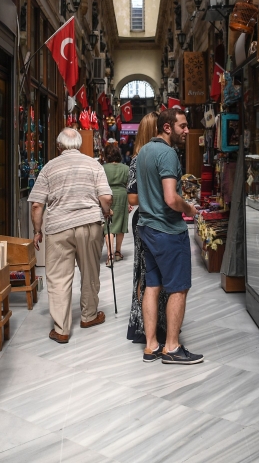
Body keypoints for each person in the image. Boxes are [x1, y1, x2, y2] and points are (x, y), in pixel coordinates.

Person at [28, 128, 113, 344]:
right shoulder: (94, 164)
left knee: (58, 278)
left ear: (59, 147)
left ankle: (61, 329)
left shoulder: (49, 167)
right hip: (89, 224)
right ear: (79, 145)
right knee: (90, 271)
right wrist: (105, 212)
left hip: (58, 227)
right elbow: (105, 197)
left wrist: (37, 231)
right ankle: (89, 316)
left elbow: (37, 204)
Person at [136, 108, 202, 364]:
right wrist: (189, 208)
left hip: (147, 228)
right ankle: (172, 347)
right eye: (182, 126)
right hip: (167, 230)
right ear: (167, 127)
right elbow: (171, 198)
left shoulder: (143, 152)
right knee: (179, 288)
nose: (187, 131)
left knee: (152, 286)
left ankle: (151, 345)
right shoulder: (168, 153)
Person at [126, 113, 168, 344]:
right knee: (146, 272)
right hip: (146, 220)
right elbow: (132, 198)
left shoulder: (156, 156)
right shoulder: (139, 159)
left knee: (158, 272)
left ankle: (159, 322)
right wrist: (158, 198)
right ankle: (146, 325)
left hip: (155, 219)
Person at [103, 143, 130, 265]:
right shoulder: (126, 168)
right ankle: (118, 252)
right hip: (122, 195)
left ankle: (109, 255)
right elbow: (129, 186)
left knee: (108, 225)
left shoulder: (102, 168)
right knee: (120, 224)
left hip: (106, 195)